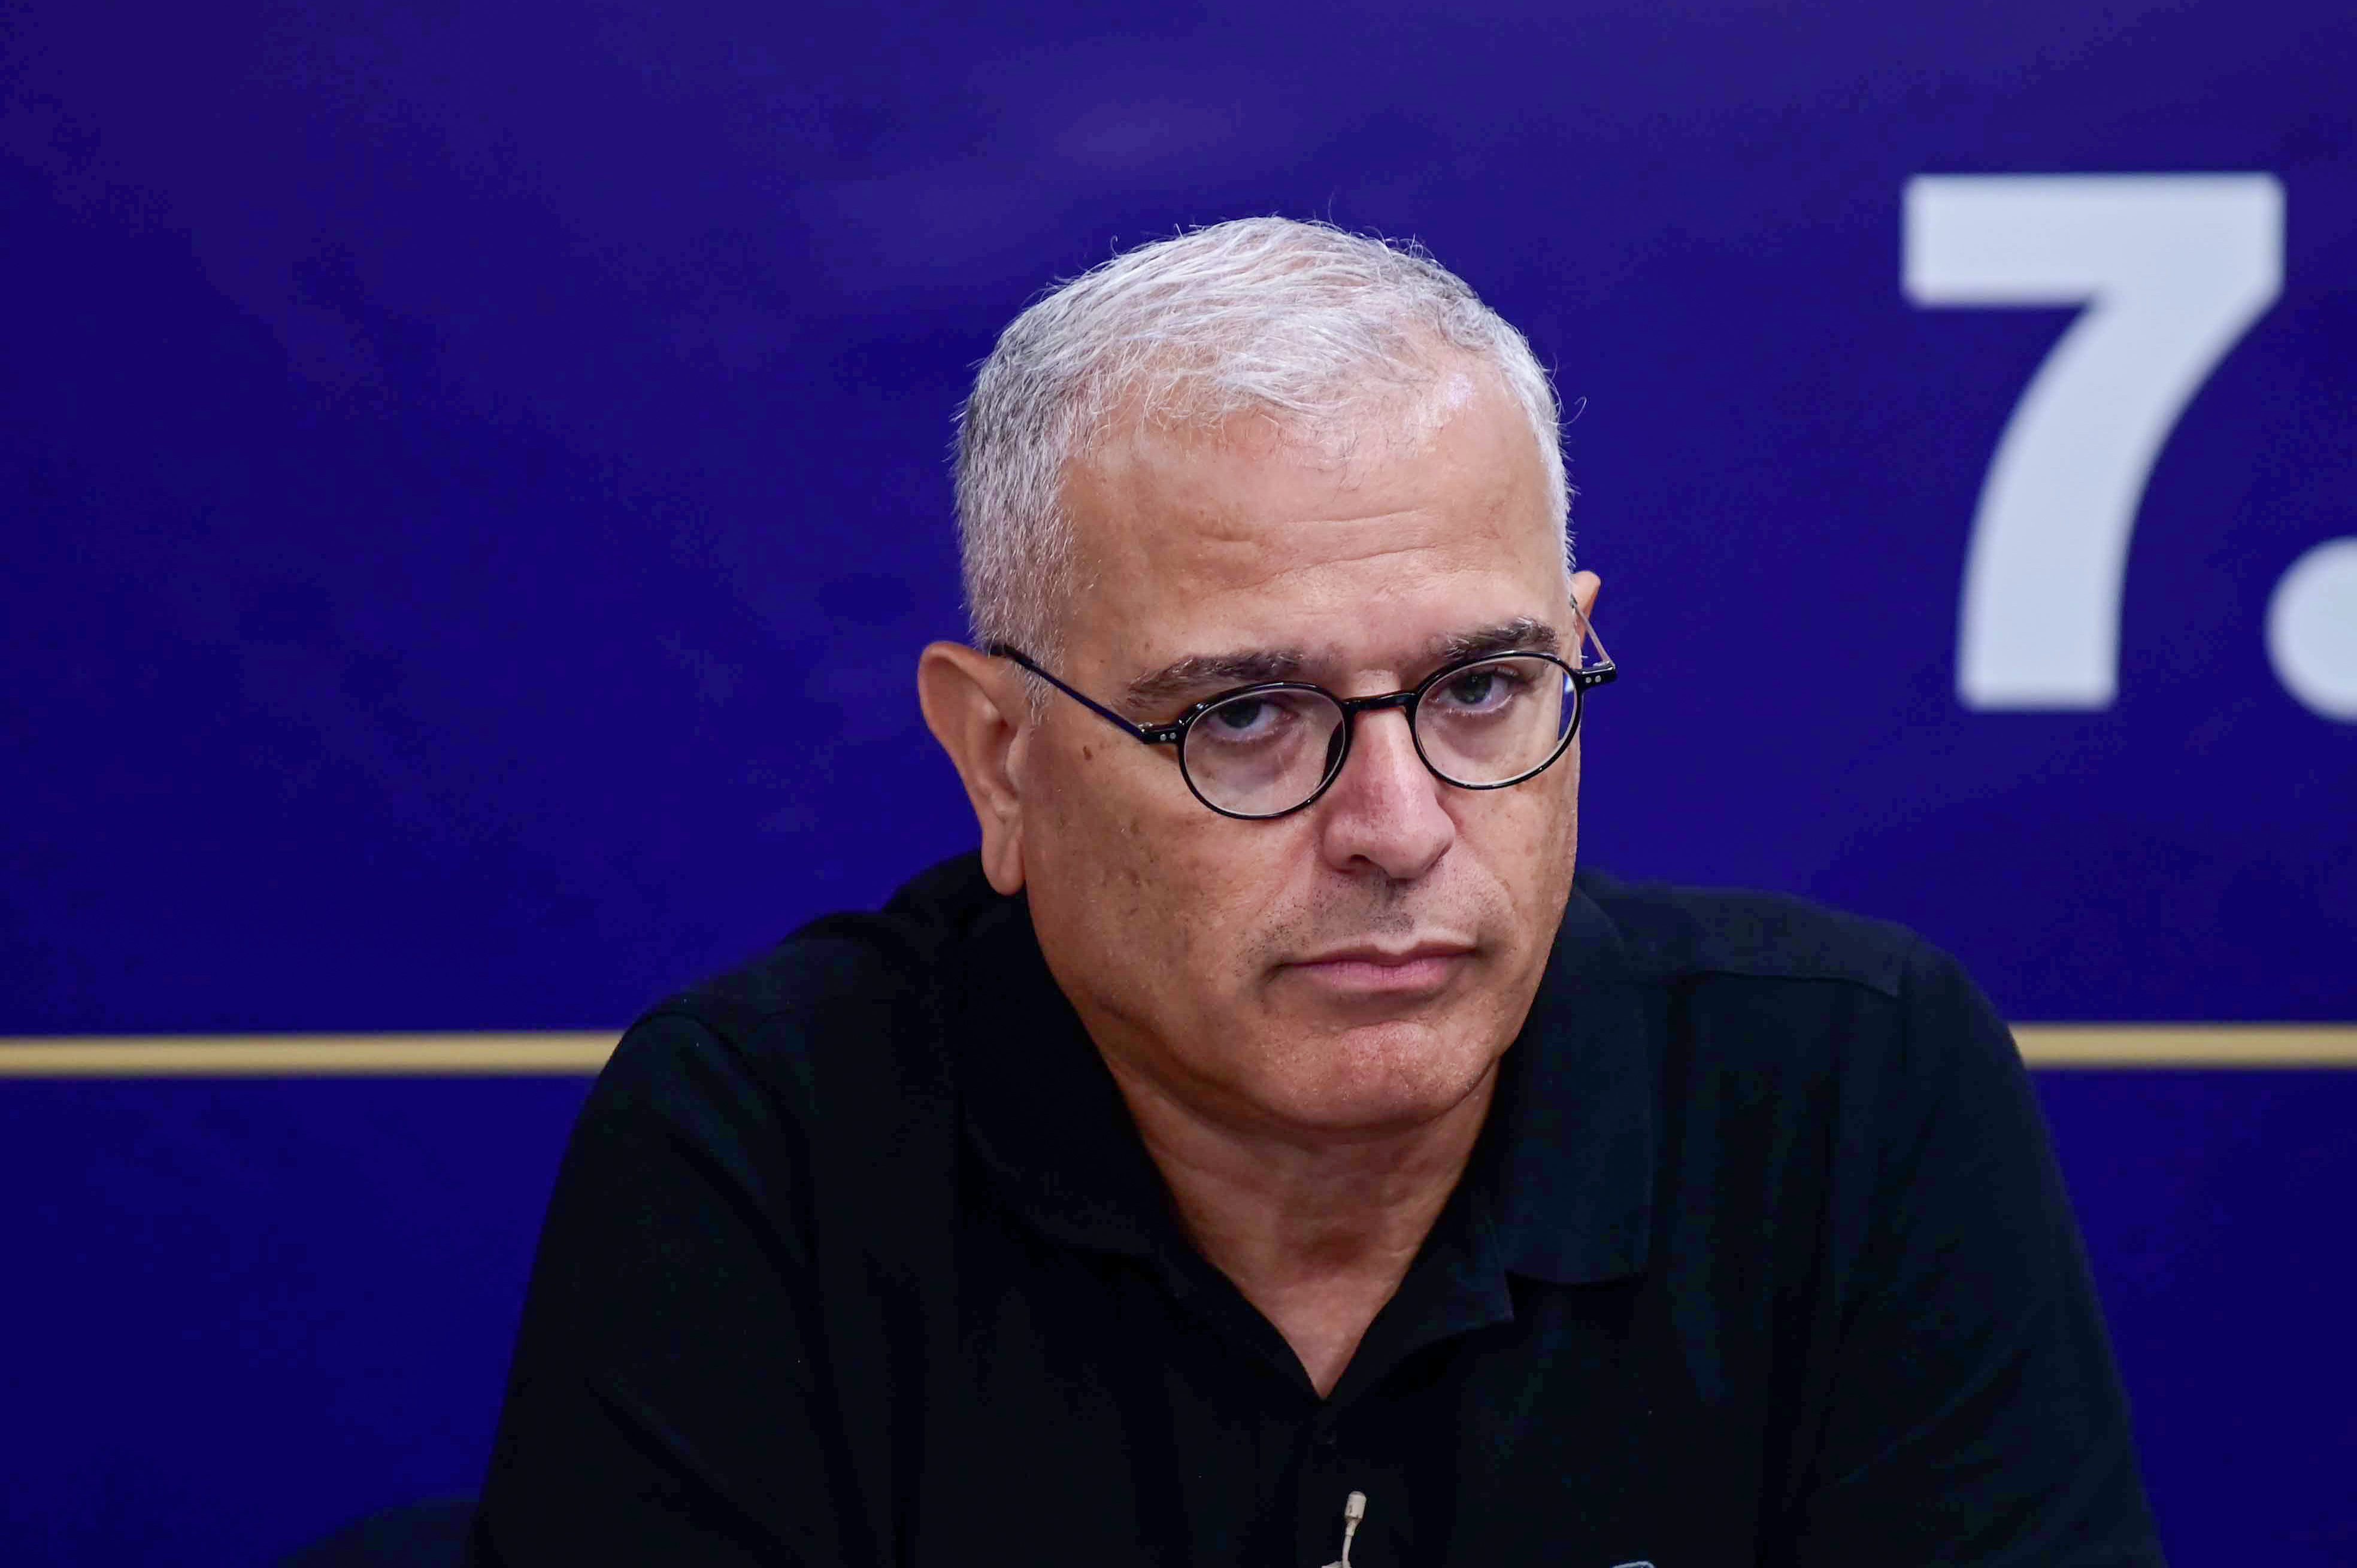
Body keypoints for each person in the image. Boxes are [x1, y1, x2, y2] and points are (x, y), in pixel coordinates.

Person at [469, 218, 2162, 1566]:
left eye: (1483, 688)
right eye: (1246, 717)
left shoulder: (1851, 1093)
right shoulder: (768, 1146)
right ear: (1002, 760)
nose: (1399, 827)